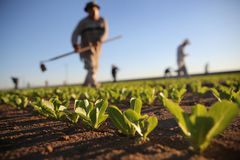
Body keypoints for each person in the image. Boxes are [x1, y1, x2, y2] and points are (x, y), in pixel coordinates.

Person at [71, 1, 108, 87]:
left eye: (94, 9)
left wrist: (100, 40)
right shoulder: (83, 22)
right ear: (87, 11)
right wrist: (75, 44)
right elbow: (75, 34)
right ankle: (94, 84)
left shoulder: (102, 20)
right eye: (90, 10)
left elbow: (105, 32)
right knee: (91, 66)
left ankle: (85, 84)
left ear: (98, 9)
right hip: (86, 48)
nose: (93, 11)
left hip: (97, 48)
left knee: (95, 66)